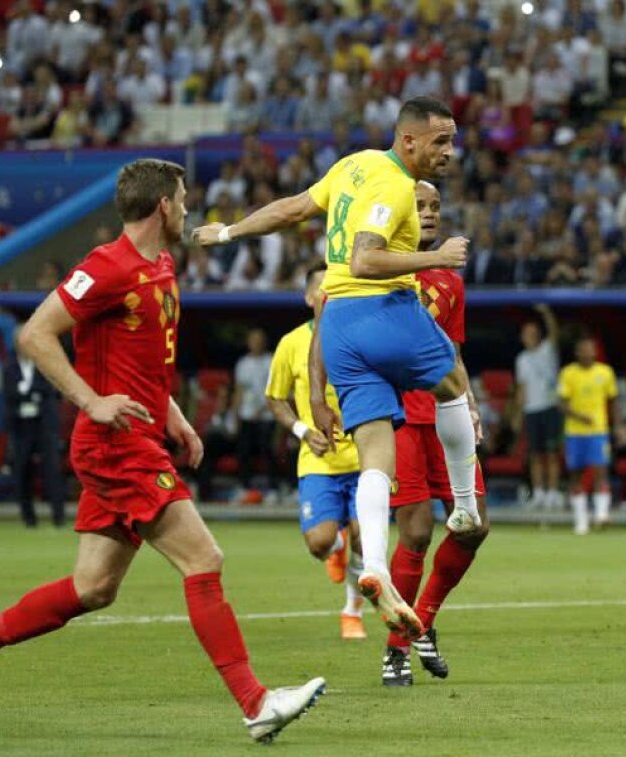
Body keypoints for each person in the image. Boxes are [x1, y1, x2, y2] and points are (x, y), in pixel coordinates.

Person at [0, 160, 324, 743]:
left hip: (141, 437)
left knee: (94, 588)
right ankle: (256, 702)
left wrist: (178, 419)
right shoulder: (105, 267)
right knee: (204, 559)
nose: (190, 208)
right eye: (185, 199)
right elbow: (35, 334)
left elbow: (144, 364)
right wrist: (90, 400)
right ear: (164, 205)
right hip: (114, 445)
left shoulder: (162, 265)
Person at [193, 97, 476, 642]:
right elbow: (366, 259)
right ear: (409, 140)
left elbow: (294, 208)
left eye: (452, 140)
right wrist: (435, 259)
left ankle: (372, 566)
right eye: (441, 140)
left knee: (375, 451)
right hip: (382, 308)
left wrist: (227, 233)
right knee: (454, 385)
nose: (449, 151)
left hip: (338, 324)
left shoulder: (352, 165)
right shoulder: (395, 186)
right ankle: (463, 507)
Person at [384, 181, 489, 686]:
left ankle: (421, 621)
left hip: (447, 414)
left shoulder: (450, 280)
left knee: (473, 525)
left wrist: (470, 402)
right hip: (401, 418)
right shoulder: (377, 270)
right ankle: (396, 649)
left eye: (434, 207)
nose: (428, 214)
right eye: (419, 206)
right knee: (418, 533)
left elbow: (454, 351)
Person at [265, 264, 367, 641]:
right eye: (321, 290)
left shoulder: (360, 338)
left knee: (365, 539)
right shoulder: (292, 343)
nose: (328, 296)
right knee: (319, 543)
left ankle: (351, 612)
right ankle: (335, 550)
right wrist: (302, 430)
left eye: (334, 290)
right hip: (318, 461)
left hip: (362, 458)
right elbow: (275, 399)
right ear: (309, 298)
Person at [3, 330, 66, 528]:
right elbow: (10, 395)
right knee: (22, 470)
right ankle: (28, 518)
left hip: (44, 424)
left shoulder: (44, 364)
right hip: (22, 426)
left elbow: (51, 391)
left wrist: (29, 393)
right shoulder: (10, 368)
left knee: (51, 470)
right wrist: (32, 395)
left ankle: (58, 517)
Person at [558, 336, 619, 536]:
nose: (587, 353)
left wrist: (617, 426)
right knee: (576, 475)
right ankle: (581, 521)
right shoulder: (568, 373)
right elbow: (562, 404)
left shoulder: (605, 372)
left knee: (600, 471)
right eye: (583, 350)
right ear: (577, 353)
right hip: (575, 433)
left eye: (590, 349)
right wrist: (579, 416)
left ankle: (601, 515)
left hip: (598, 432)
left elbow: (613, 401)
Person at [514, 304, 562, 510]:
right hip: (531, 411)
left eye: (532, 333)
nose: (528, 337)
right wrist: (518, 414)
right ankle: (539, 493)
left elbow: (554, 333)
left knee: (551, 454)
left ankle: (552, 493)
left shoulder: (547, 350)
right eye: (525, 334)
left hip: (550, 408)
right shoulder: (521, 359)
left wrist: (547, 314)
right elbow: (522, 388)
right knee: (534, 455)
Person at [232, 328, 275, 498]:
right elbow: (239, 391)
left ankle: (272, 490)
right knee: (243, 450)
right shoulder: (242, 363)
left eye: (259, 340)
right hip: (247, 416)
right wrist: (235, 416)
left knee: (267, 450)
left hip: (267, 416)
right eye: (252, 340)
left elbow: (276, 390)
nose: (256, 343)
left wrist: (262, 409)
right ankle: (244, 488)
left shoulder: (271, 361)